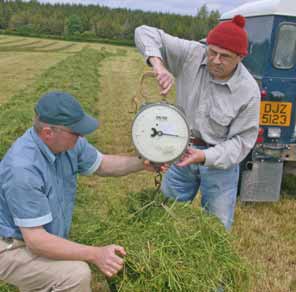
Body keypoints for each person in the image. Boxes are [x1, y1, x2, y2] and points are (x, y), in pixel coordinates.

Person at [0, 91, 160, 292]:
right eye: (75, 132)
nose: (82, 136)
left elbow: (102, 164)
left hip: (39, 236)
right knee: (75, 275)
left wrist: (143, 163)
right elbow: (36, 241)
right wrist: (95, 254)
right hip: (12, 245)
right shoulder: (23, 169)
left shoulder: (67, 144)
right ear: (48, 132)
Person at [135, 15, 260, 230]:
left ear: (240, 57)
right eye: (212, 52)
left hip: (220, 163)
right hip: (180, 150)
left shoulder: (248, 92)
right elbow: (144, 31)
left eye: (225, 56)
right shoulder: (192, 53)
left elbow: (241, 142)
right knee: (163, 214)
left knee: (216, 228)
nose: (215, 60)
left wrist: (204, 156)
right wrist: (159, 65)